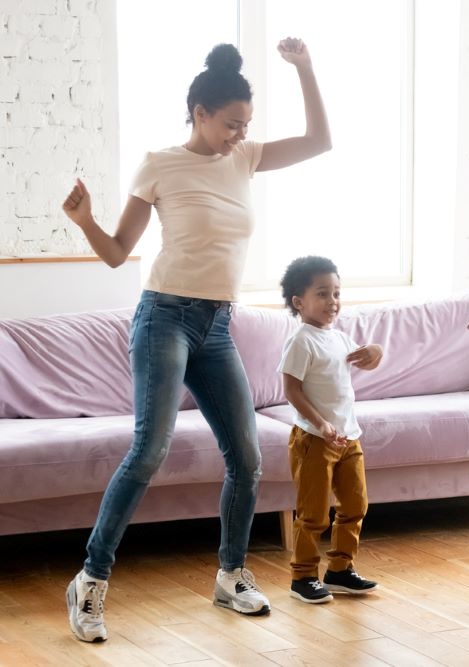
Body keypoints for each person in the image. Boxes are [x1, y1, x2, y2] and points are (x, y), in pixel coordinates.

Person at [60, 39, 331, 641]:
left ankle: (231, 574)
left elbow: (319, 142)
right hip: (163, 317)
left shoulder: (245, 157)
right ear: (199, 112)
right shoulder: (159, 164)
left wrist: (306, 69)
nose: (239, 135)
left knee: (247, 457)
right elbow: (115, 255)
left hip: (216, 325)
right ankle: (91, 581)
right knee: (149, 450)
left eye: (246, 126)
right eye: (230, 124)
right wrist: (84, 222)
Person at [277, 256, 383, 604]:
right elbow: (291, 390)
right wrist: (321, 424)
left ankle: (340, 570)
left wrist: (375, 351)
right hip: (314, 440)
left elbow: (363, 358)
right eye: (322, 293)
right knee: (314, 514)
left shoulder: (338, 338)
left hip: (348, 437)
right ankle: (303, 576)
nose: (332, 301)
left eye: (336, 293)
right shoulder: (301, 341)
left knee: (356, 504)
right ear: (299, 302)